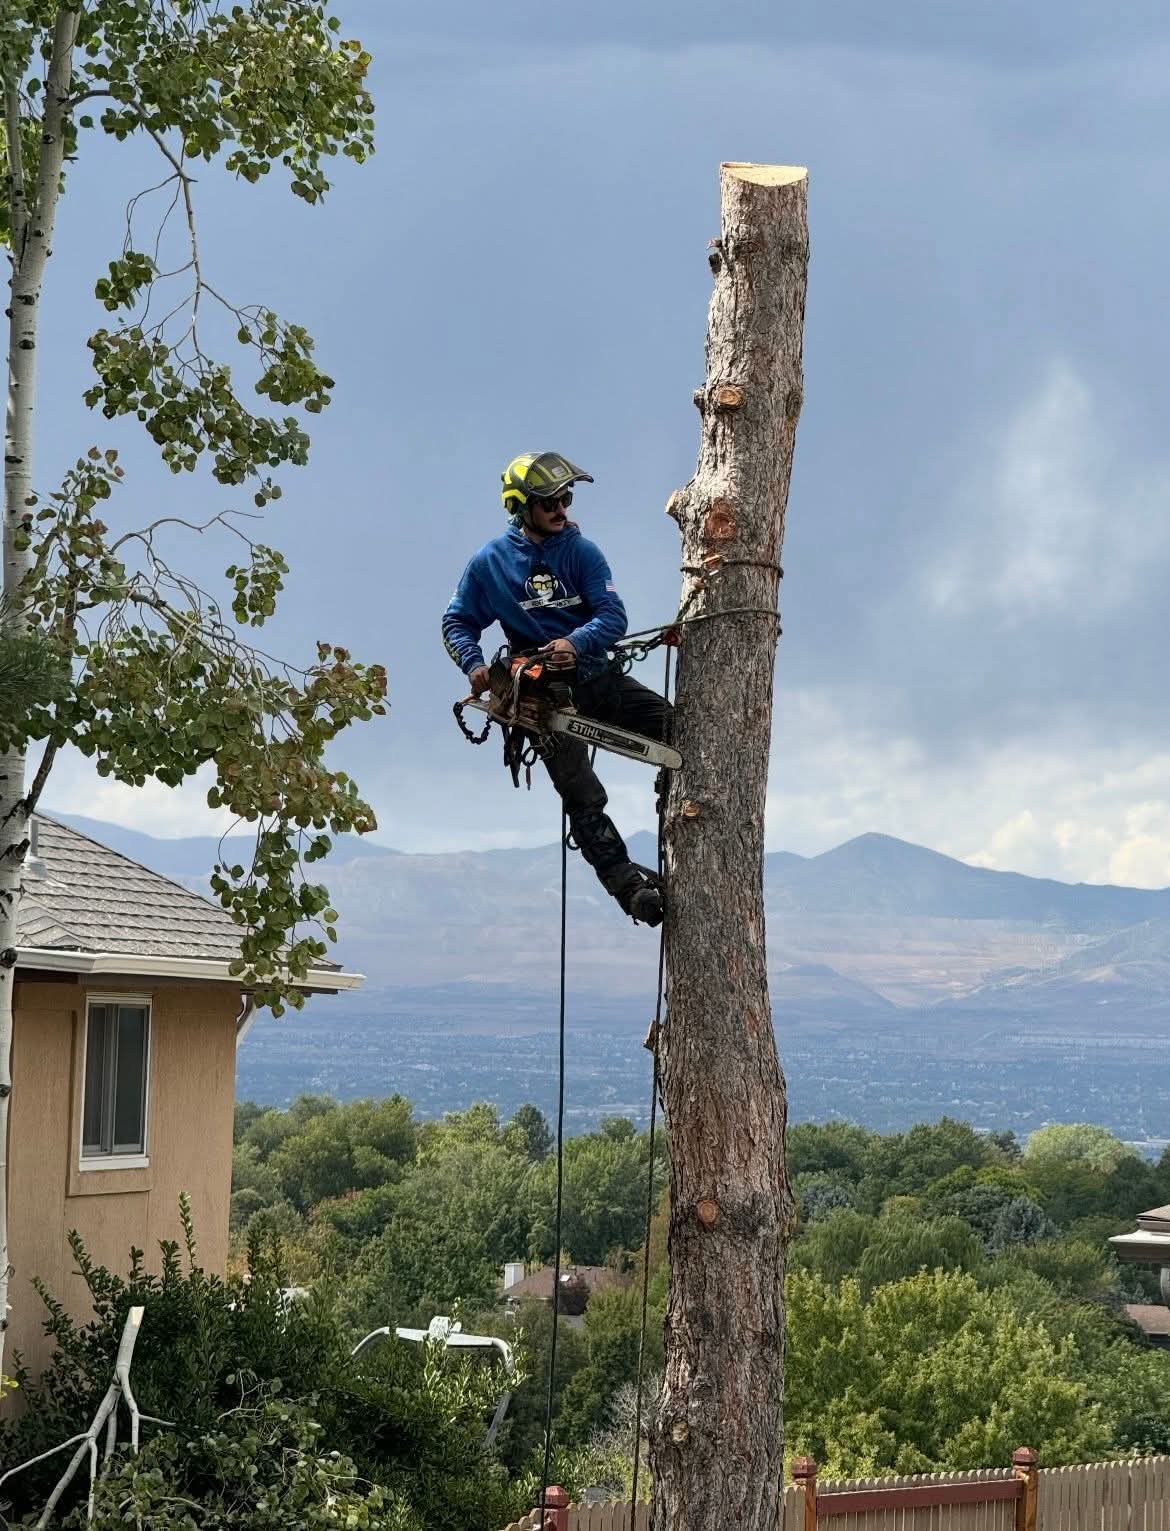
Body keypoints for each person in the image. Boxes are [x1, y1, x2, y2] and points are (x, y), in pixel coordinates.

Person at [442, 451, 670, 927]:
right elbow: (457, 621)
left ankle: (679, 814)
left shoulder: (582, 552)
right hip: (541, 696)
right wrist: (475, 664)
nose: (562, 508)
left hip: (595, 676)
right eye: (549, 501)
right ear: (521, 505)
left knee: (674, 727)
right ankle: (630, 891)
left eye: (565, 497)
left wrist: (575, 642)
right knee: (582, 797)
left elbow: (613, 616)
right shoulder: (490, 563)